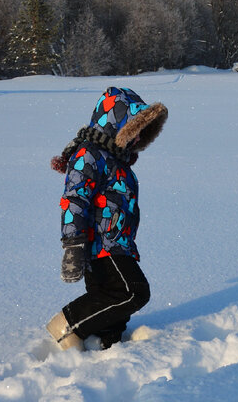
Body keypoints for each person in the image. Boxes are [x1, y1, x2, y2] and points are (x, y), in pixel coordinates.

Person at [45, 87, 168, 350]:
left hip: (118, 244)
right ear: (117, 125)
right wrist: (73, 245)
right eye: (133, 131)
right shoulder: (90, 155)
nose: (136, 139)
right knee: (133, 292)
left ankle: (103, 347)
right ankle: (68, 323)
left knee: (113, 309)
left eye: (140, 134)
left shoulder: (117, 163)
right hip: (101, 246)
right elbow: (74, 200)